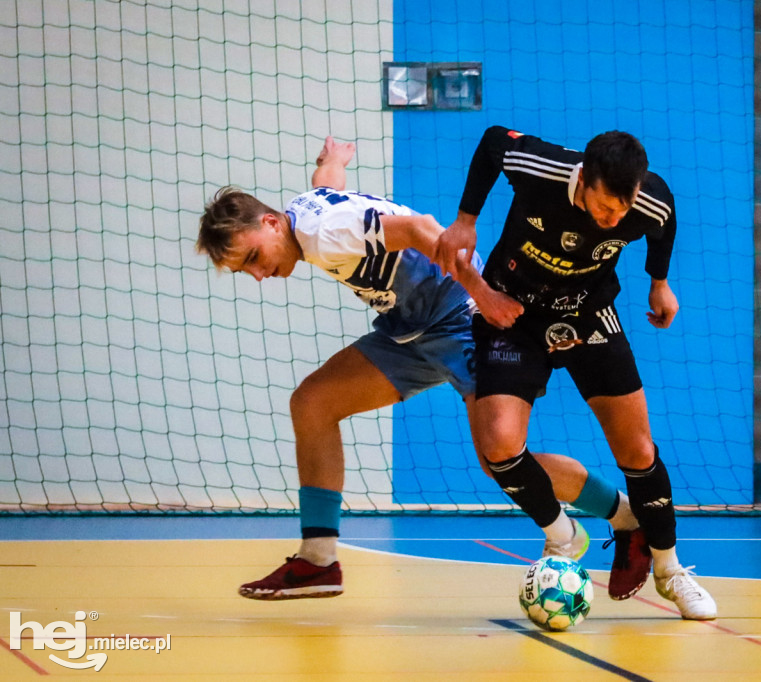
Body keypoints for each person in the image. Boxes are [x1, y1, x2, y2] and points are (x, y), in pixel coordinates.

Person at [195, 137, 653, 601]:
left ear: (271, 223)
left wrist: (485, 293)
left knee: (501, 461)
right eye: (243, 270)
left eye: (253, 257)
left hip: (460, 314)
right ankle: (317, 561)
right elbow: (328, 188)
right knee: (313, 402)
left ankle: (625, 516)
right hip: (409, 329)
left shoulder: (326, 231)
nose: (257, 274)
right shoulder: (303, 212)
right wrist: (333, 162)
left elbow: (419, 228)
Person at [434, 126, 717, 620]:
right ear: (583, 178)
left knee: (638, 449)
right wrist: (465, 219)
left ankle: (671, 572)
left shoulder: (649, 201)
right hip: (511, 313)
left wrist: (659, 282)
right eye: (605, 206)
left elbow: (663, 223)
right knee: (498, 446)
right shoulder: (539, 167)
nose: (612, 220)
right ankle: (564, 537)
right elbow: (494, 139)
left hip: (588, 316)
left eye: (622, 210)